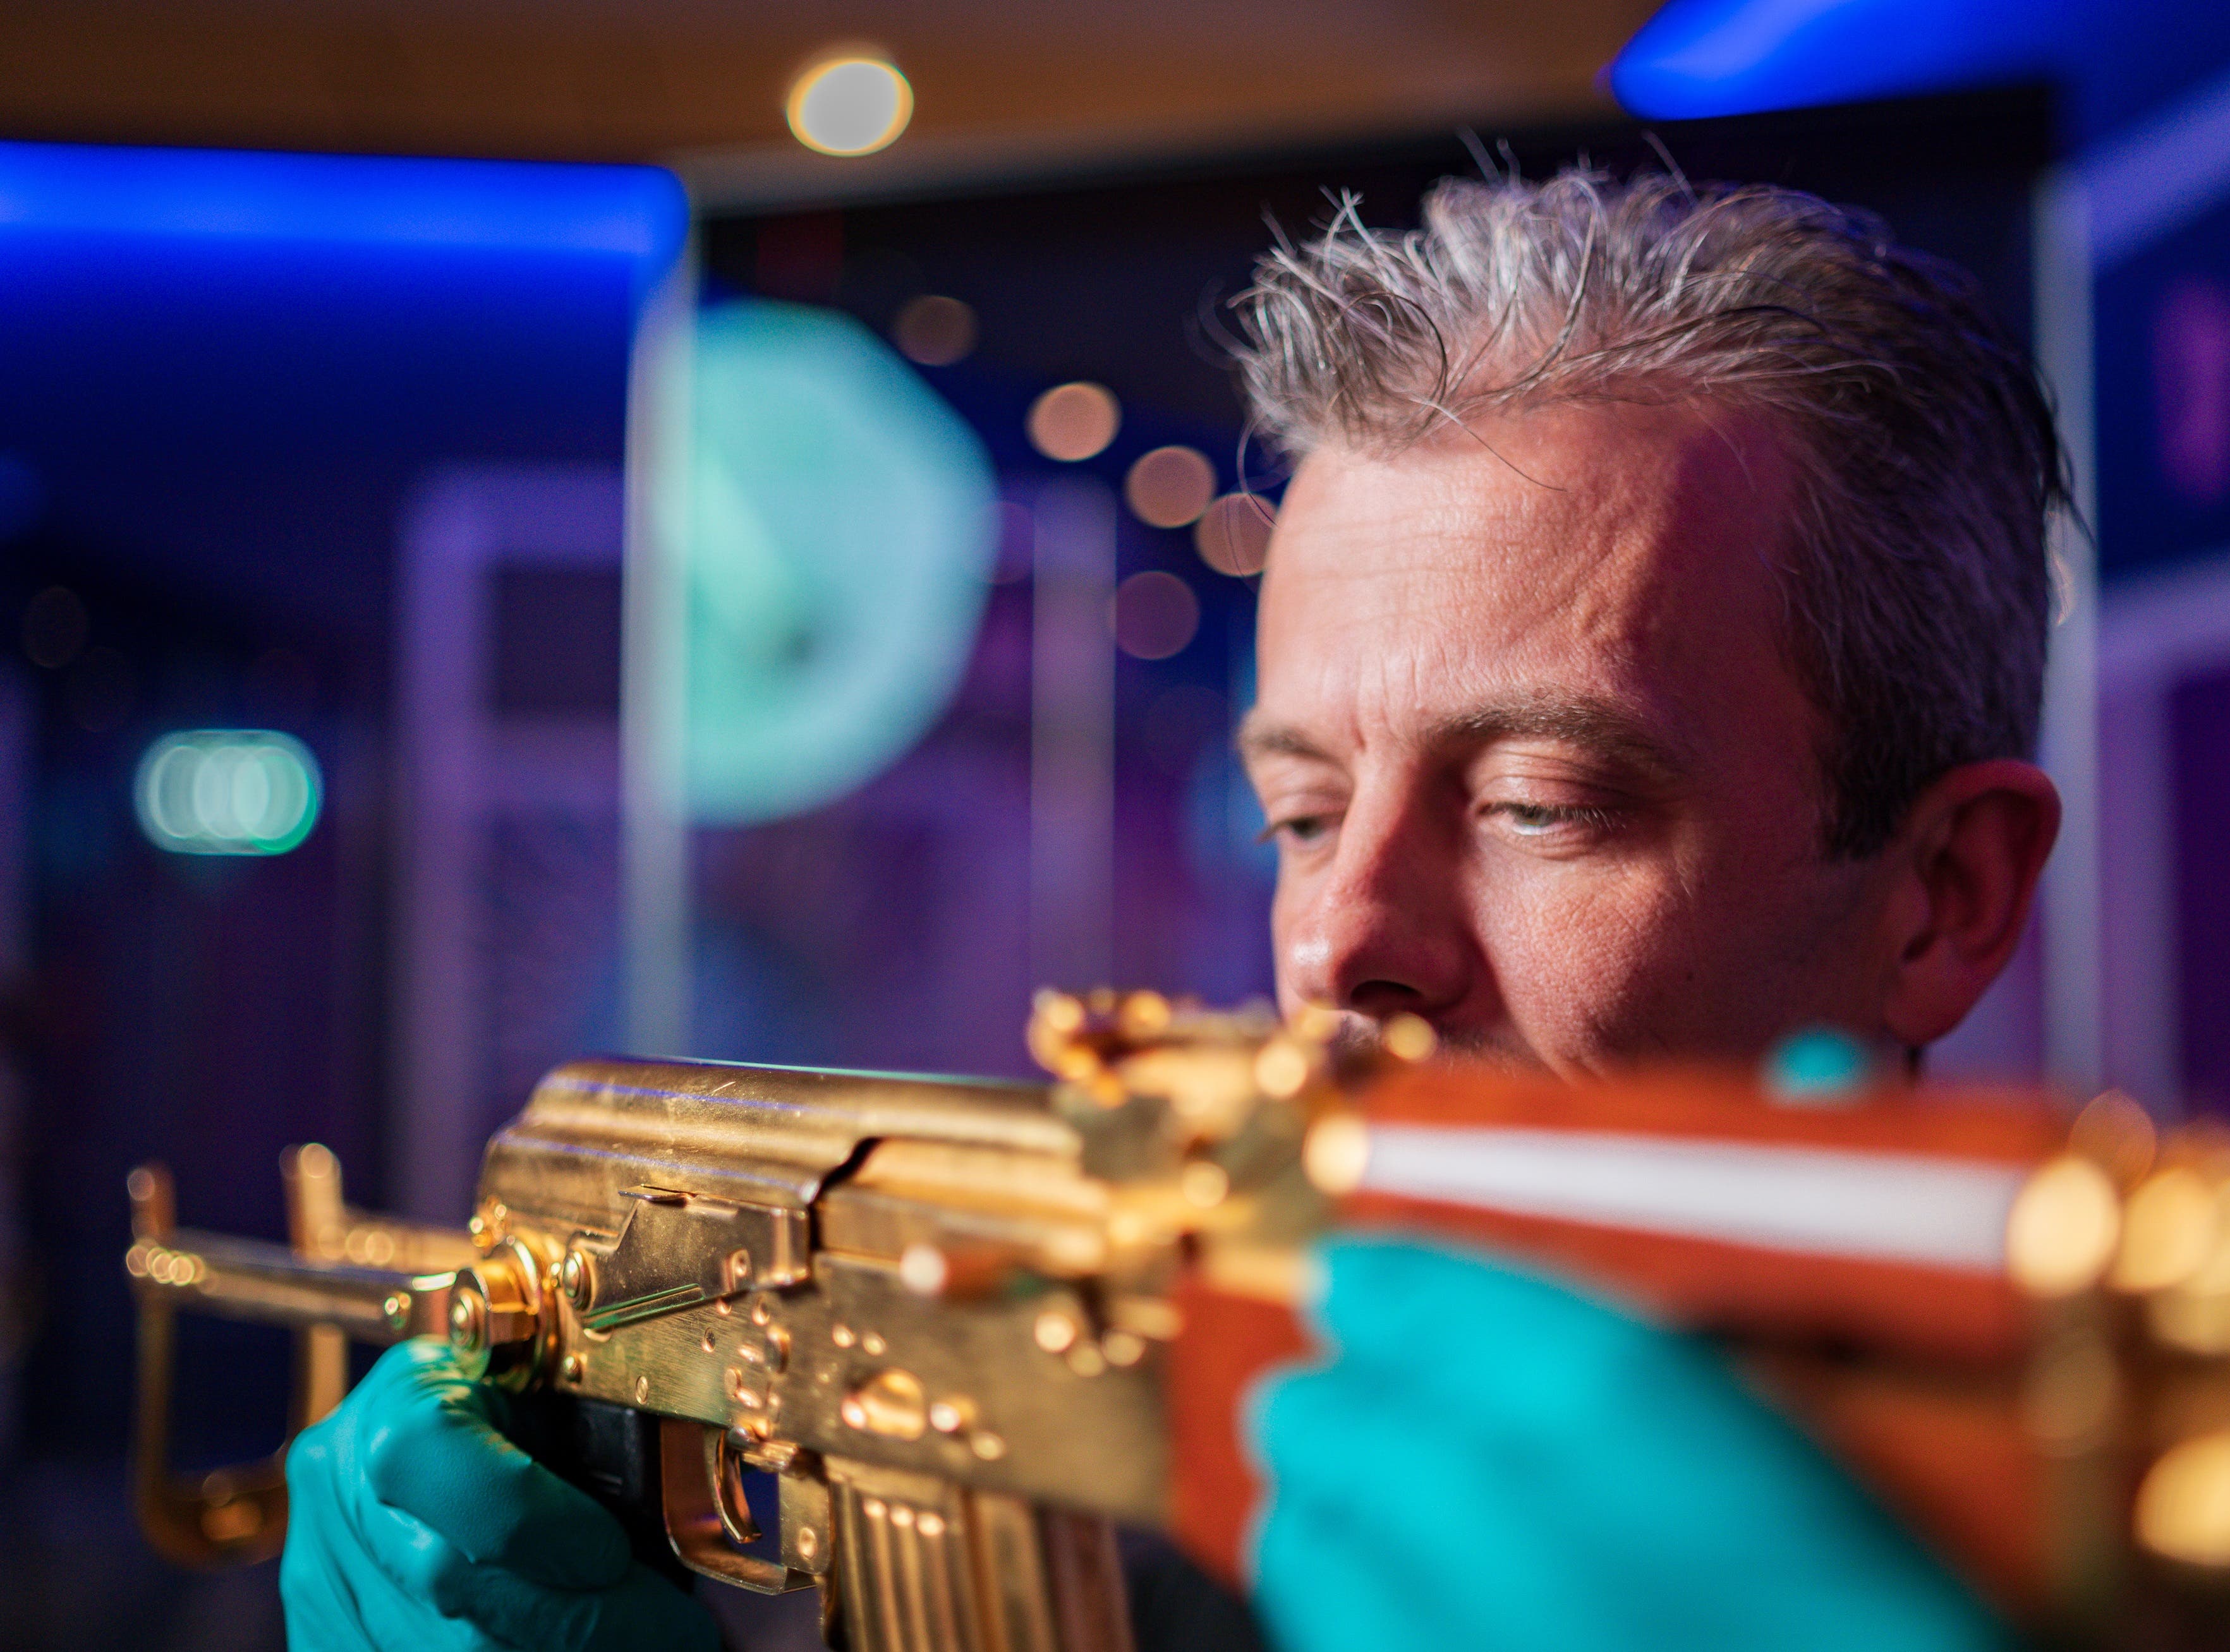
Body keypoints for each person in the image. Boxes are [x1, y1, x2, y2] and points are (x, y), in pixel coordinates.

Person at [282, 170, 2062, 1651]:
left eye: (1540, 803)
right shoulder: (1158, 1558)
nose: (1335, 941)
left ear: (1942, 901)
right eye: (1298, 809)